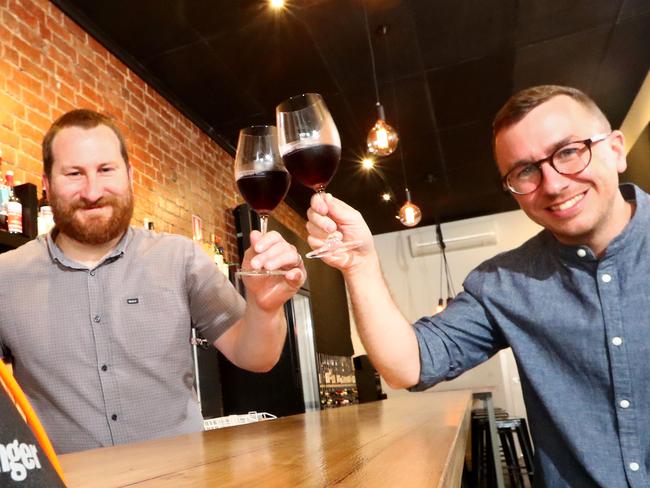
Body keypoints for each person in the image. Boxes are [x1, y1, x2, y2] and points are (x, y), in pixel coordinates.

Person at [306, 85, 649, 487]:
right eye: (525, 170)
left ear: (616, 149)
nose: (553, 184)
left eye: (569, 151)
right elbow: (409, 364)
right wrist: (360, 264)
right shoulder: (503, 284)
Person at [0, 109, 306, 454]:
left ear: (129, 175)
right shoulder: (5, 277)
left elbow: (257, 357)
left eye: (105, 170)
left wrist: (264, 309)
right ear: (47, 183)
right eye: (74, 173)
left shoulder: (181, 258)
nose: (92, 191)